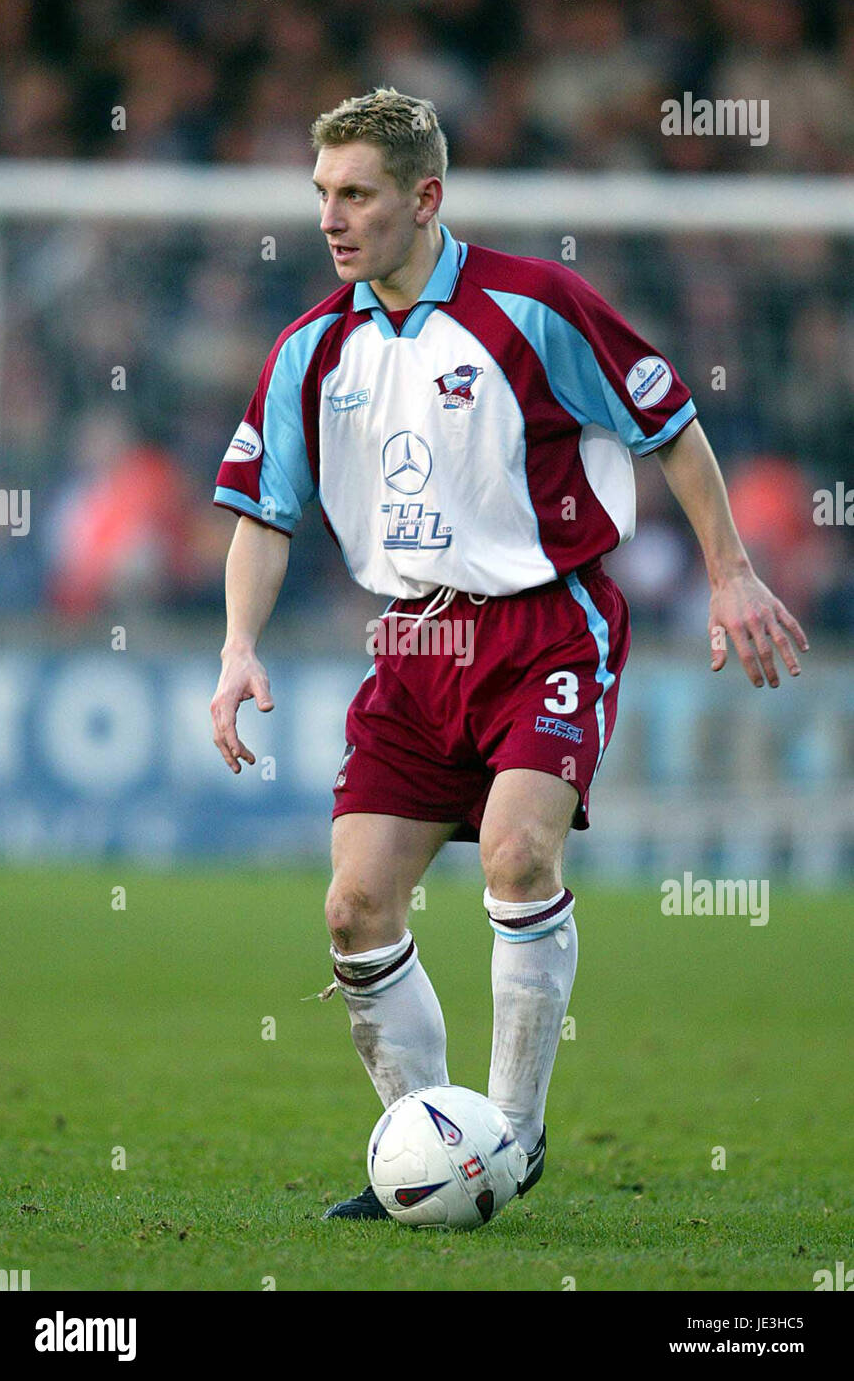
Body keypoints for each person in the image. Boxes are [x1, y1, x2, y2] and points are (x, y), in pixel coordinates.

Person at [210, 89, 808, 1220]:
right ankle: (442, 1151)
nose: (330, 221)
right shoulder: (308, 348)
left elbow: (668, 426)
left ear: (424, 198)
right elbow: (259, 510)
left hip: (543, 624)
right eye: (322, 195)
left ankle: (517, 1137)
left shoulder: (534, 305)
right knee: (351, 911)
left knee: (517, 857)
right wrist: (238, 646)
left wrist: (729, 571)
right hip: (408, 643)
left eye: (356, 196)